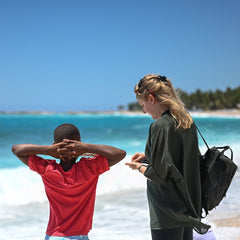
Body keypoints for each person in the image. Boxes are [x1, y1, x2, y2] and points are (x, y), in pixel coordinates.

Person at [125, 74, 209, 240]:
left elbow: (158, 174)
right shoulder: (185, 121)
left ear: (151, 98)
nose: (144, 111)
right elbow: (183, 158)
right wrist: (148, 156)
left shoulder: (159, 126)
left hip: (166, 211)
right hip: (187, 207)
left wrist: (139, 167)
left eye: (143, 105)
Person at [12, 123, 126, 240]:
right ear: (79, 144)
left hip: (53, 236)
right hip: (79, 236)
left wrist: (47, 150)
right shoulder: (89, 169)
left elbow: (17, 150)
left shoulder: (47, 169)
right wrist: (86, 147)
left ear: (54, 146)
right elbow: (119, 154)